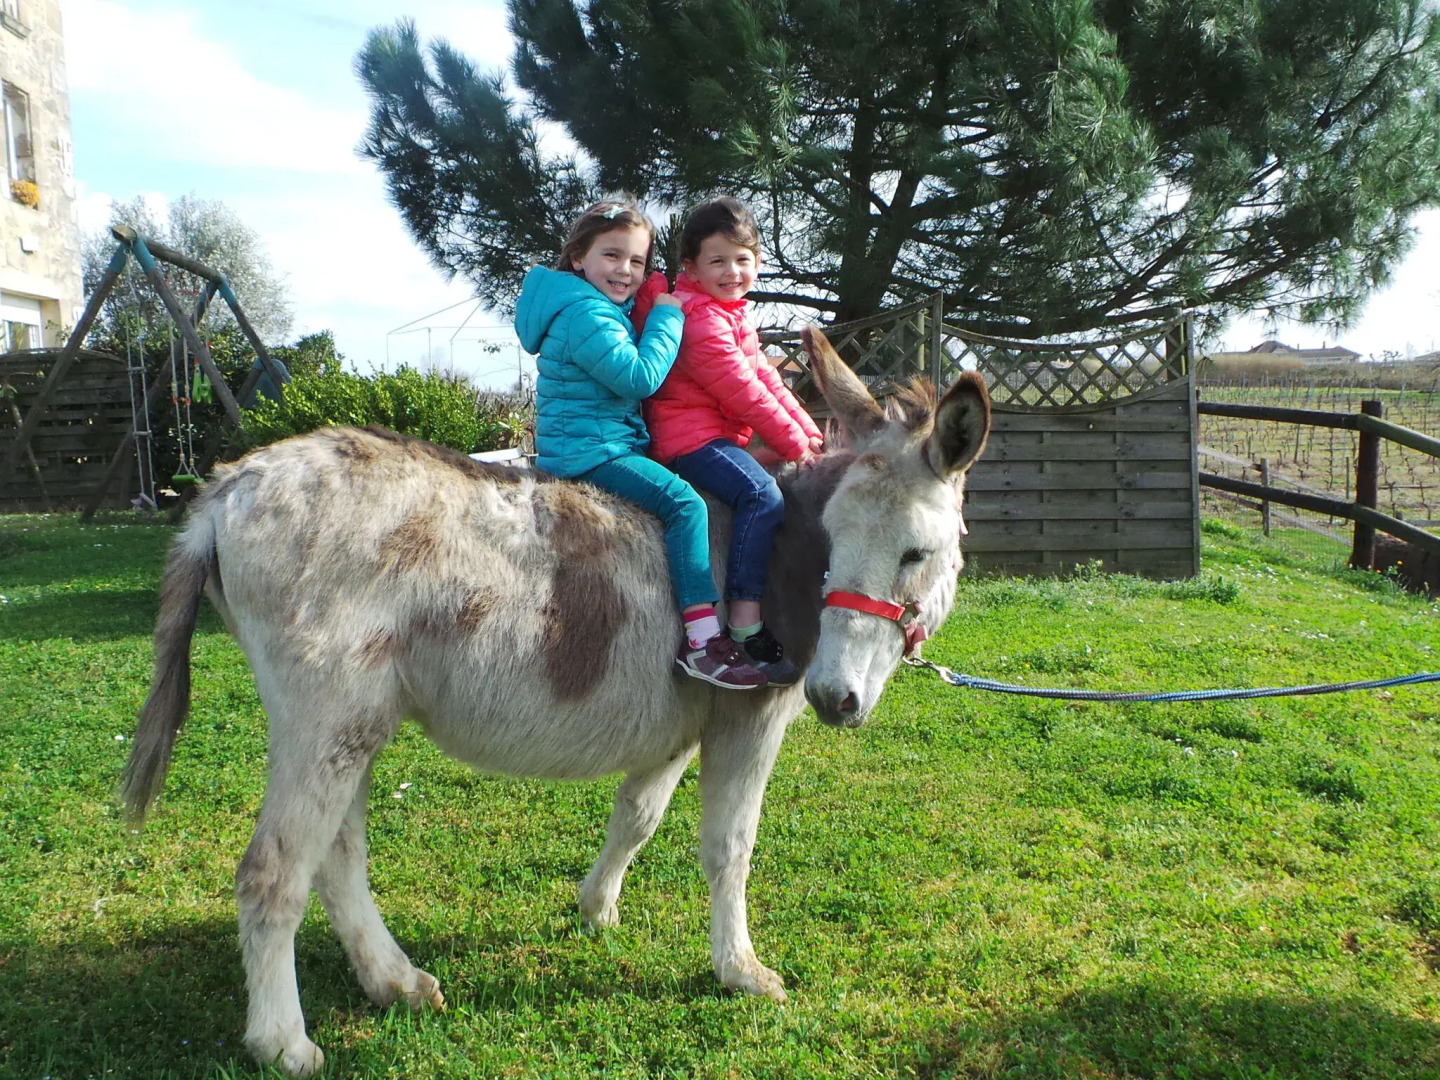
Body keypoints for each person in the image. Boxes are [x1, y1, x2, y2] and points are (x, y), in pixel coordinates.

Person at [515, 196, 768, 690]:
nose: (625, 270)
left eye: (637, 260)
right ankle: (701, 640)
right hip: (592, 453)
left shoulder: (589, 307)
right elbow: (640, 377)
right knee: (685, 504)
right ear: (578, 258)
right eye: (612, 255)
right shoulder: (587, 315)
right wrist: (669, 317)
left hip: (598, 443)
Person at [637, 197, 823, 686]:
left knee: (772, 478)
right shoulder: (701, 320)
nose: (732, 270)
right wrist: (793, 446)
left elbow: (770, 383)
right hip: (688, 441)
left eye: (743, 259)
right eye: (717, 260)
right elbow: (743, 394)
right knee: (761, 494)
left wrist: (808, 434)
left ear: (758, 264)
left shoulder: (734, 316)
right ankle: (744, 622)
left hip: (717, 437)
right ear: (691, 268)